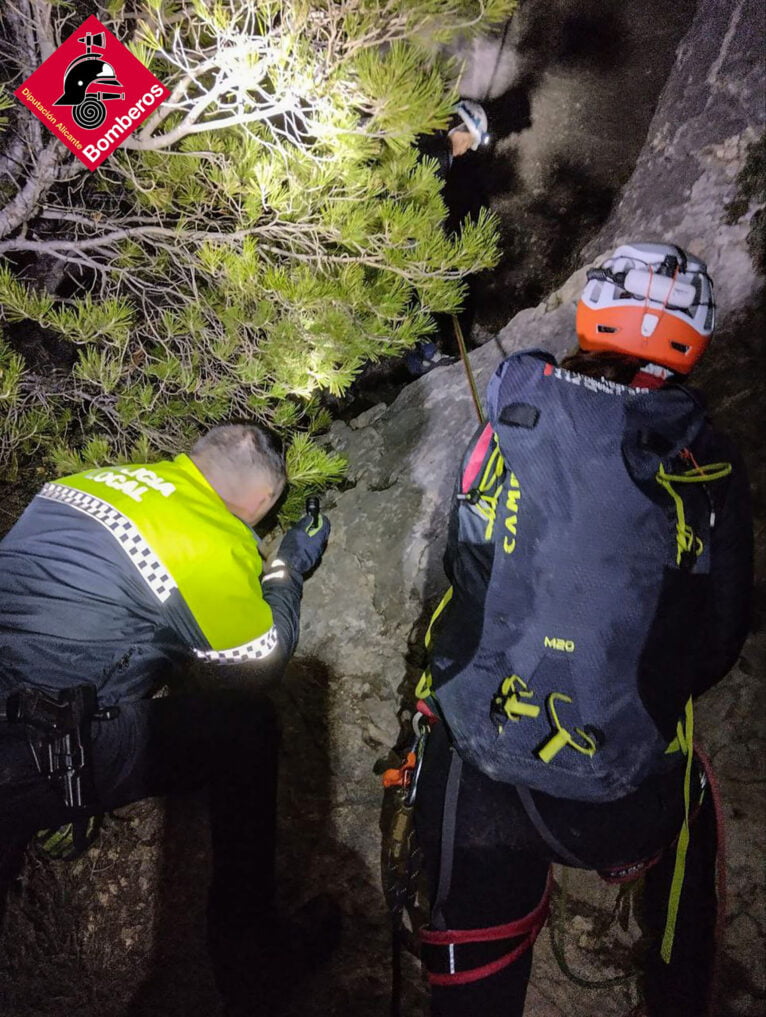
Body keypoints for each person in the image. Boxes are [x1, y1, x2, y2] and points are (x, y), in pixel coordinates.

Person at [411, 242, 753, 1017]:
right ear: (693, 339)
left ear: (592, 312)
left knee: (473, 989)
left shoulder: (514, 416)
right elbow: (720, 638)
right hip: (621, 796)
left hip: (486, 765)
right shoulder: (703, 459)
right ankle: (675, 986)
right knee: (690, 781)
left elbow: (461, 580)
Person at [0, 423, 334, 1011]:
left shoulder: (79, 483)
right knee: (246, 731)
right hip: (36, 748)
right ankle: (254, 968)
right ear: (261, 502)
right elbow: (259, 659)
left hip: (19, 718)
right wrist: (286, 568)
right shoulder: (207, 536)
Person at [406, 99, 490, 377]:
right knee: (415, 292)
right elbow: (414, 198)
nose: (468, 148)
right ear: (458, 126)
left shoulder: (438, 151)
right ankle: (424, 356)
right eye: (470, 139)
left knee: (412, 294)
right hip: (403, 236)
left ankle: (420, 357)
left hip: (404, 234)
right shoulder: (436, 152)